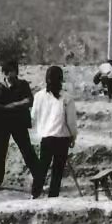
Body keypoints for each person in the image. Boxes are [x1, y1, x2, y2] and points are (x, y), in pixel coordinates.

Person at [0, 60, 40, 191]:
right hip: (1, 124)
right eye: (6, 72)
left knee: (27, 151)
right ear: (3, 73)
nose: (8, 75)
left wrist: (14, 105)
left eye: (11, 72)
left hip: (18, 123)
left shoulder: (23, 85)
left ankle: (39, 178)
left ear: (16, 72)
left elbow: (29, 100)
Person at [30, 66, 78, 198]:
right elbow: (71, 122)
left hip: (46, 137)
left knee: (42, 167)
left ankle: (35, 193)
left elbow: (33, 116)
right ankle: (53, 196)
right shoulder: (67, 98)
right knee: (57, 170)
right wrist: (73, 136)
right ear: (61, 79)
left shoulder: (38, 96)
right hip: (62, 138)